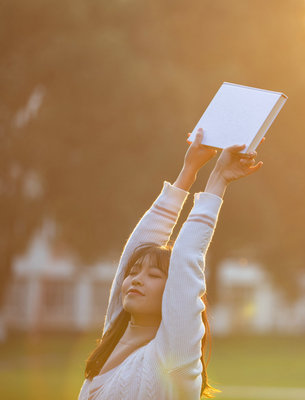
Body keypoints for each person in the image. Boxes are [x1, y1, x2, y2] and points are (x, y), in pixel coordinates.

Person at [78, 129, 264, 399]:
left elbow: (186, 257)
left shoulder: (174, 356)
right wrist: (187, 171)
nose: (136, 279)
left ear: (173, 294)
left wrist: (218, 179)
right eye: (134, 273)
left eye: (154, 275)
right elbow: (137, 248)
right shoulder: (114, 337)